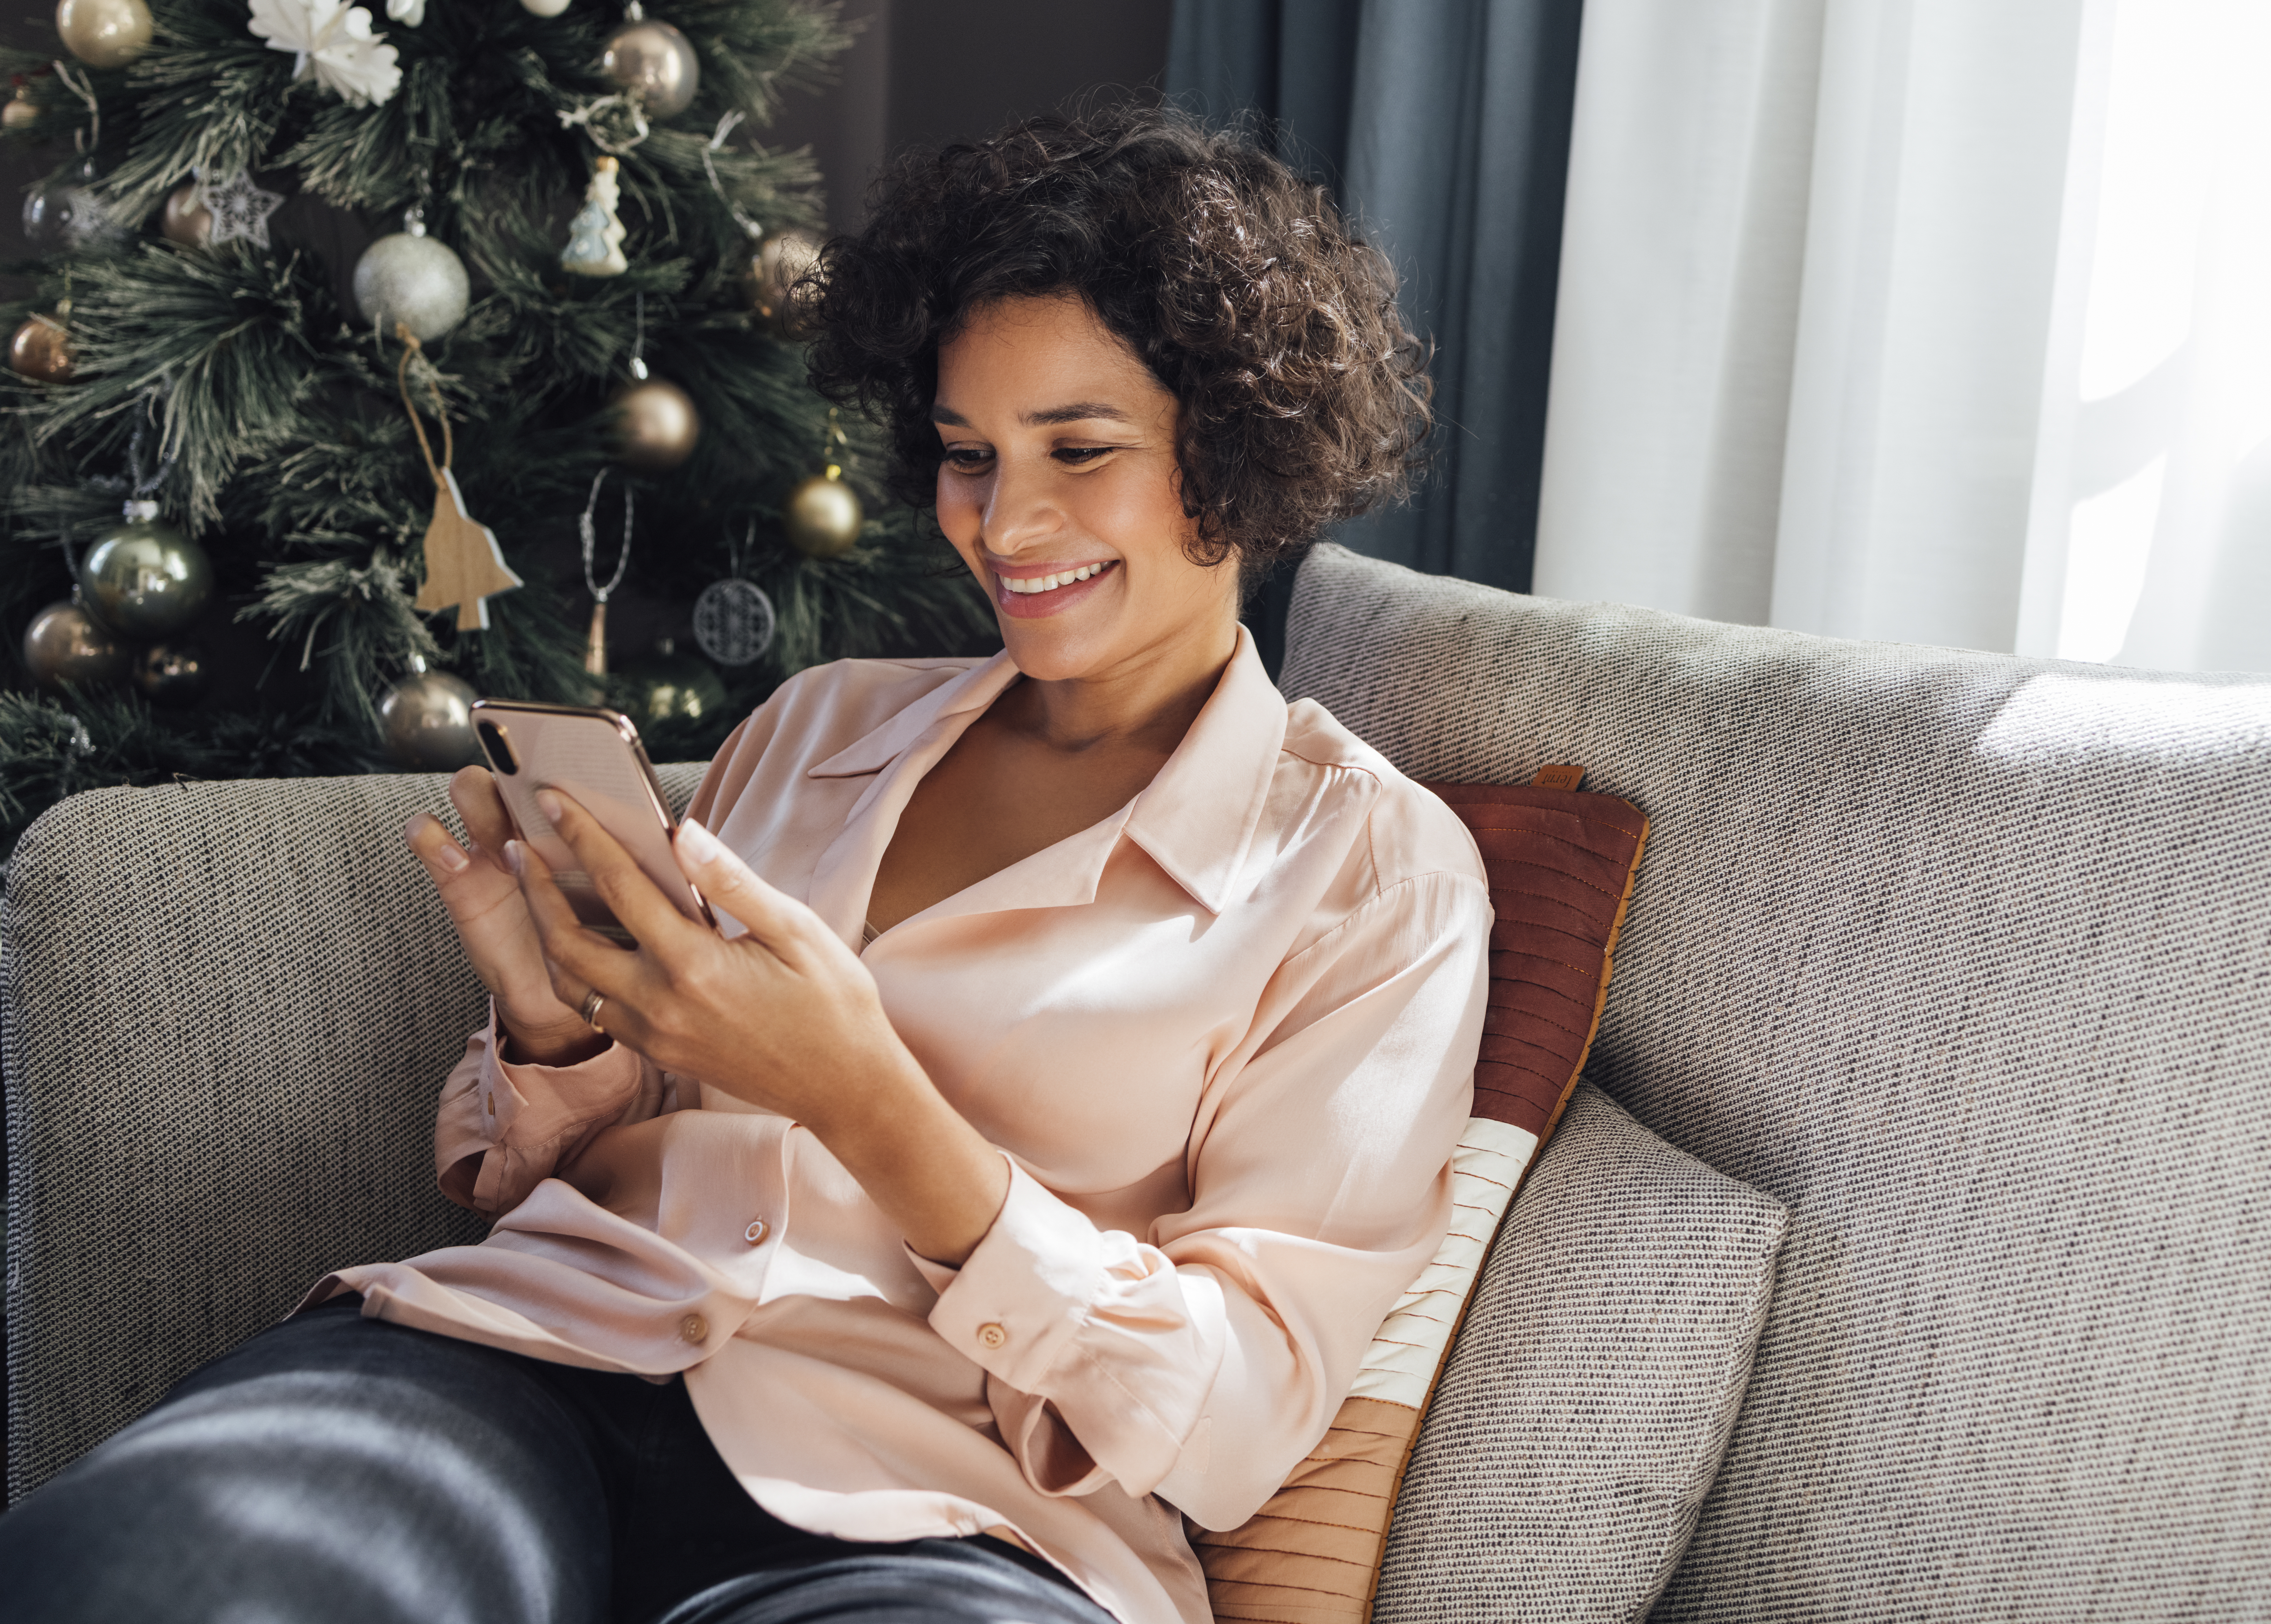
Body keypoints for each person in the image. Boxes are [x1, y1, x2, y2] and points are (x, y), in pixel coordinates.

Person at [0, 108, 1490, 1624]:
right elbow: (595, 1149)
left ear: (1231, 458)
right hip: (531, 1369)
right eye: (968, 455)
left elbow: (1239, 1421)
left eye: (1080, 450)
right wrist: (560, 1031)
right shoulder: (821, 727)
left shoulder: (1372, 875)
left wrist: (869, 1099)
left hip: (944, 1513)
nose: (1006, 521)